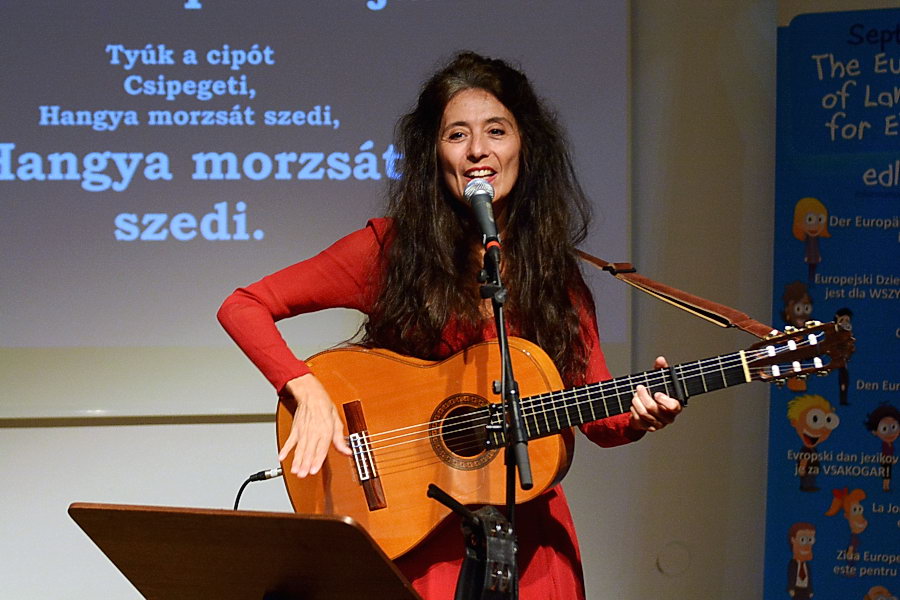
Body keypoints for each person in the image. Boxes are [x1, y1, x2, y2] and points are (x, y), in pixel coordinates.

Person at [218, 51, 682, 600]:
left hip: (530, 542)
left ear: (525, 145)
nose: (478, 150)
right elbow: (244, 306)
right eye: (457, 135)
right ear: (433, 154)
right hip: (422, 540)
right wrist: (305, 388)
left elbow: (599, 418)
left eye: (496, 131)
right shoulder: (390, 251)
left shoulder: (554, 275)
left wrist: (642, 412)